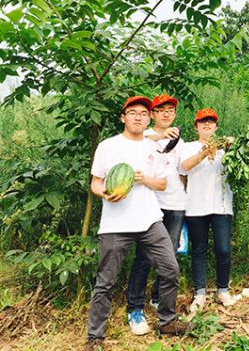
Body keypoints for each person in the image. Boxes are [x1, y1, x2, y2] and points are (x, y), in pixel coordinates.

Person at [85, 96, 186, 351]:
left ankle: (168, 320)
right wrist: (105, 193)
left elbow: (162, 183)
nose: (138, 116)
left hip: (150, 220)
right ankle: (95, 336)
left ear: (149, 118)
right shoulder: (108, 146)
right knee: (106, 280)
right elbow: (95, 182)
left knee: (170, 268)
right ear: (123, 117)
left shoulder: (154, 148)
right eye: (132, 112)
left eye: (143, 112)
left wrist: (145, 180)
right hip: (115, 224)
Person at [126, 94, 185, 334]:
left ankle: (158, 298)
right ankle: (134, 306)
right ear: (153, 114)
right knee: (145, 257)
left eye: (170, 110)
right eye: (161, 110)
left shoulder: (179, 140)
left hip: (176, 202)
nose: (166, 113)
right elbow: (146, 140)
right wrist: (162, 135)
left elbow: (182, 170)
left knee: (169, 256)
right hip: (153, 204)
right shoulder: (145, 136)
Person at [180, 108, 240, 316]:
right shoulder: (188, 147)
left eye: (211, 122)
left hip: (222, 206)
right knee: (199, 249)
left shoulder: (227, 148)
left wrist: (233, 148)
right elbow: (184, 167)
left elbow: (241, 167)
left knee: (223, 249)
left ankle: (223, 290)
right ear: (196, 126)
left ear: (216, 127)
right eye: (202, 122)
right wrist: (204, 153)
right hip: (196, 205)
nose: (207, 125)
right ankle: (200, 292)